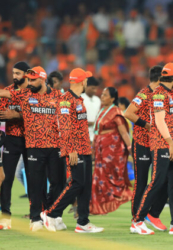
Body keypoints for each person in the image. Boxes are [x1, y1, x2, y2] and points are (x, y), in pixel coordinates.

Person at [133, 62, 173, 235]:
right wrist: (170, 143)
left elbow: (168, 121)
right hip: (162, 145)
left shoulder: (168, 94)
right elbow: (160, 121)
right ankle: (137, 221)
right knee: (156, 182)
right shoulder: (160, 95)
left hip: (170, 145)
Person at [0, 66, 65, 232]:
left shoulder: (58, 95)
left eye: (33, 79)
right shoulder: (24, 93)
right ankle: (35, 218)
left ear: (42, 79)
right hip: (34, 146)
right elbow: (4, 93)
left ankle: (51, 215)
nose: (29, 82)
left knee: (58, 182)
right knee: (35, 184)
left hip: (55, 145)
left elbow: (67, 118)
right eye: (28, 79)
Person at [41, 68, 104, 233]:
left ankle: (83, 222)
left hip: (84, 148)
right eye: (86, 80)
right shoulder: (66, 100)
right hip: (75, 148)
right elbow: (65, 127)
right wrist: (71, 149)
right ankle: (51, 213)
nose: (87, 82)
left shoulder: (78, 100)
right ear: (82, 81)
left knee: (85, 185)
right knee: (77, 183)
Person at [125, 65, 168, 232]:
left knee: (160, 180)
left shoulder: (161, 95)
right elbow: (128, 113)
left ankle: (151, 214)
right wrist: (147, 126)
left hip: (156, 144)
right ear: (159, 80)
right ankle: (137, 218)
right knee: (141, 182)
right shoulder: (144, 94)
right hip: (142, 143)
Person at [90, 87, 133, 215]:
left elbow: (124, 132)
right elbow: (97, 130)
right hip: (100, 148)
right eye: (102, 94)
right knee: (98, 177)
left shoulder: (116, 112)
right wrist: (93, 145)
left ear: (113, 98)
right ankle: (98, 206)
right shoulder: (102, 110)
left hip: (112, 150)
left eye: (105, 95)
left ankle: (123, 196)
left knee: (111, 177)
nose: (102, 96)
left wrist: (130, 147)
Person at [0, 62, 31, 230]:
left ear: (27, 74)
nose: (15, 76)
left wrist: (17, 114)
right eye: (13, 73)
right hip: (11, 139)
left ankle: (37, 216)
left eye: (18, 73)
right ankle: (5, 218)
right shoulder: (7, 91)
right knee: (7, 179)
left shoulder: (33, 92)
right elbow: (1, 113)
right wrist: (5, 117)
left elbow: (38, 116)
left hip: (31, 140)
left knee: (34, 179)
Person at [81, 77, 101, 142]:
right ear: (86, 86)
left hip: (95, 134)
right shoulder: (80, 99)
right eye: (92, 88)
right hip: (82, 134)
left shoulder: (98, 100)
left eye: (96, 88)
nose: (95, 90)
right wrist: (91, 123)